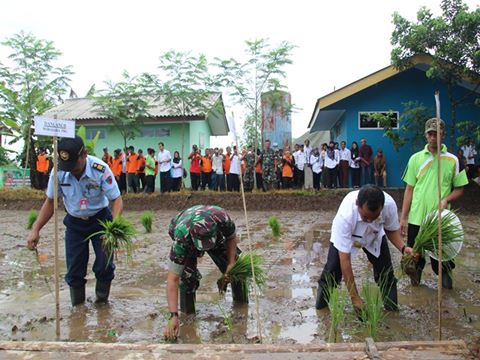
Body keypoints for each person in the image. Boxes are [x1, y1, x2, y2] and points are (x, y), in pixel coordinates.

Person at [26, 136, 123, 306]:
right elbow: (50, 202)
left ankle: (101, 302)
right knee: (74, 270)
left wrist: (113, 229)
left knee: (104, 265)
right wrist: (36, 229)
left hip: (101, 221)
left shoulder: (99, 169)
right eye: (67, 166)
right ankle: (78, 309)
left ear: (84, 154)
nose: (71, 170)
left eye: (74, 165)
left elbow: (116, 199)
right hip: (75, 223)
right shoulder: (59, 172)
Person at [316, 185, 413, 313]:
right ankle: (321, 308)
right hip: (350, 236)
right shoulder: (345, 216)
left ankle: (392, 311)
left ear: (382, 208)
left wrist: (403, 247)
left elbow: (390, 229)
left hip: (374, 236)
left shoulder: (389, 205)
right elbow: (345, 261)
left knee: (386, 273)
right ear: (358, 204)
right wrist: (355, 297)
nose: (369, 221)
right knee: (332, 271)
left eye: (374, 218)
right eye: (365, 217)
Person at [400, 118, 468, 289]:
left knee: (443, 261)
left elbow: (460, 189)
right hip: (417, 218)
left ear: (442, 135)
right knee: (414, 260)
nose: (433, 137)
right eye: (430, 133)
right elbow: (409, 189)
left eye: (436, 133)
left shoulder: (452, 160)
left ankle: (447, 296)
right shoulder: (415, 159)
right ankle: (416, 293)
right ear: (426, 135)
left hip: (439, 220)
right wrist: (403, 218)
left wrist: (446, 199)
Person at [163, 205, 239, 340]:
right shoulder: (182, 238)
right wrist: (173, 315)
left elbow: (231, 237)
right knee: (187, 278)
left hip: (211, 234)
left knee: (238, 268)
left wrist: (231, 263)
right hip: (185, 233)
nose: (203, 252)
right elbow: (172, 280)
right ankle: (188, 313)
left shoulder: (222, 218)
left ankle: (240, 303)